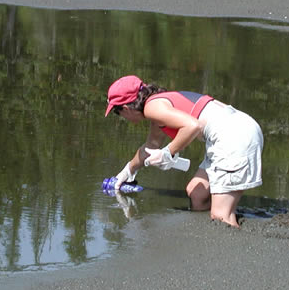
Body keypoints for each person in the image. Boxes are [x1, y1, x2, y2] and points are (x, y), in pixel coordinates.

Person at [105, 75, 263, 227]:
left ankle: (229, 237)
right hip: (237, 129)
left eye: (117, 112)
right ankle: (210, 236)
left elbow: (193, 126)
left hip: (233, 137)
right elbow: (151, 145)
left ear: (125, 108)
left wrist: (168, 153)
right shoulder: (158, 104)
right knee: (197, 194)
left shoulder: (152, 108)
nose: (120, 116)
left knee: (221, 216)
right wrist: (127, 171)